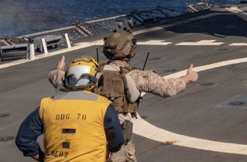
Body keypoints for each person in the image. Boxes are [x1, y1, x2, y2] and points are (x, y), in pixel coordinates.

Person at [49, 29, 199, 162]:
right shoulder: (135, 76)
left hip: (90, 136)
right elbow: (168, 89)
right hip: (118, 138)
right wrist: (188, 78)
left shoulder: (90, 73)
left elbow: (59, 80)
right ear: (129, 50)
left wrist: (58, 70)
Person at [16, 56, 123, 162]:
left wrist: (43, 158)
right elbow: (117, 141)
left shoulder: (47, 105)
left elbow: (24, 139)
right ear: (97, 79)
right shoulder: (103, 106)